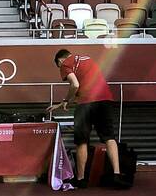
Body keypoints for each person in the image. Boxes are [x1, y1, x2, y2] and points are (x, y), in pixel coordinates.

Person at [48, 48, 120, 185]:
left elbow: (75, 84)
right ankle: (116, 175)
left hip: (86, 102)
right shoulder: (88, 59)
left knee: (81, 141)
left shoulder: (65, 64)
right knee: (109, 137)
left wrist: (65, 101)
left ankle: (81, 179)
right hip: (105, 99)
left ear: (60, 60)